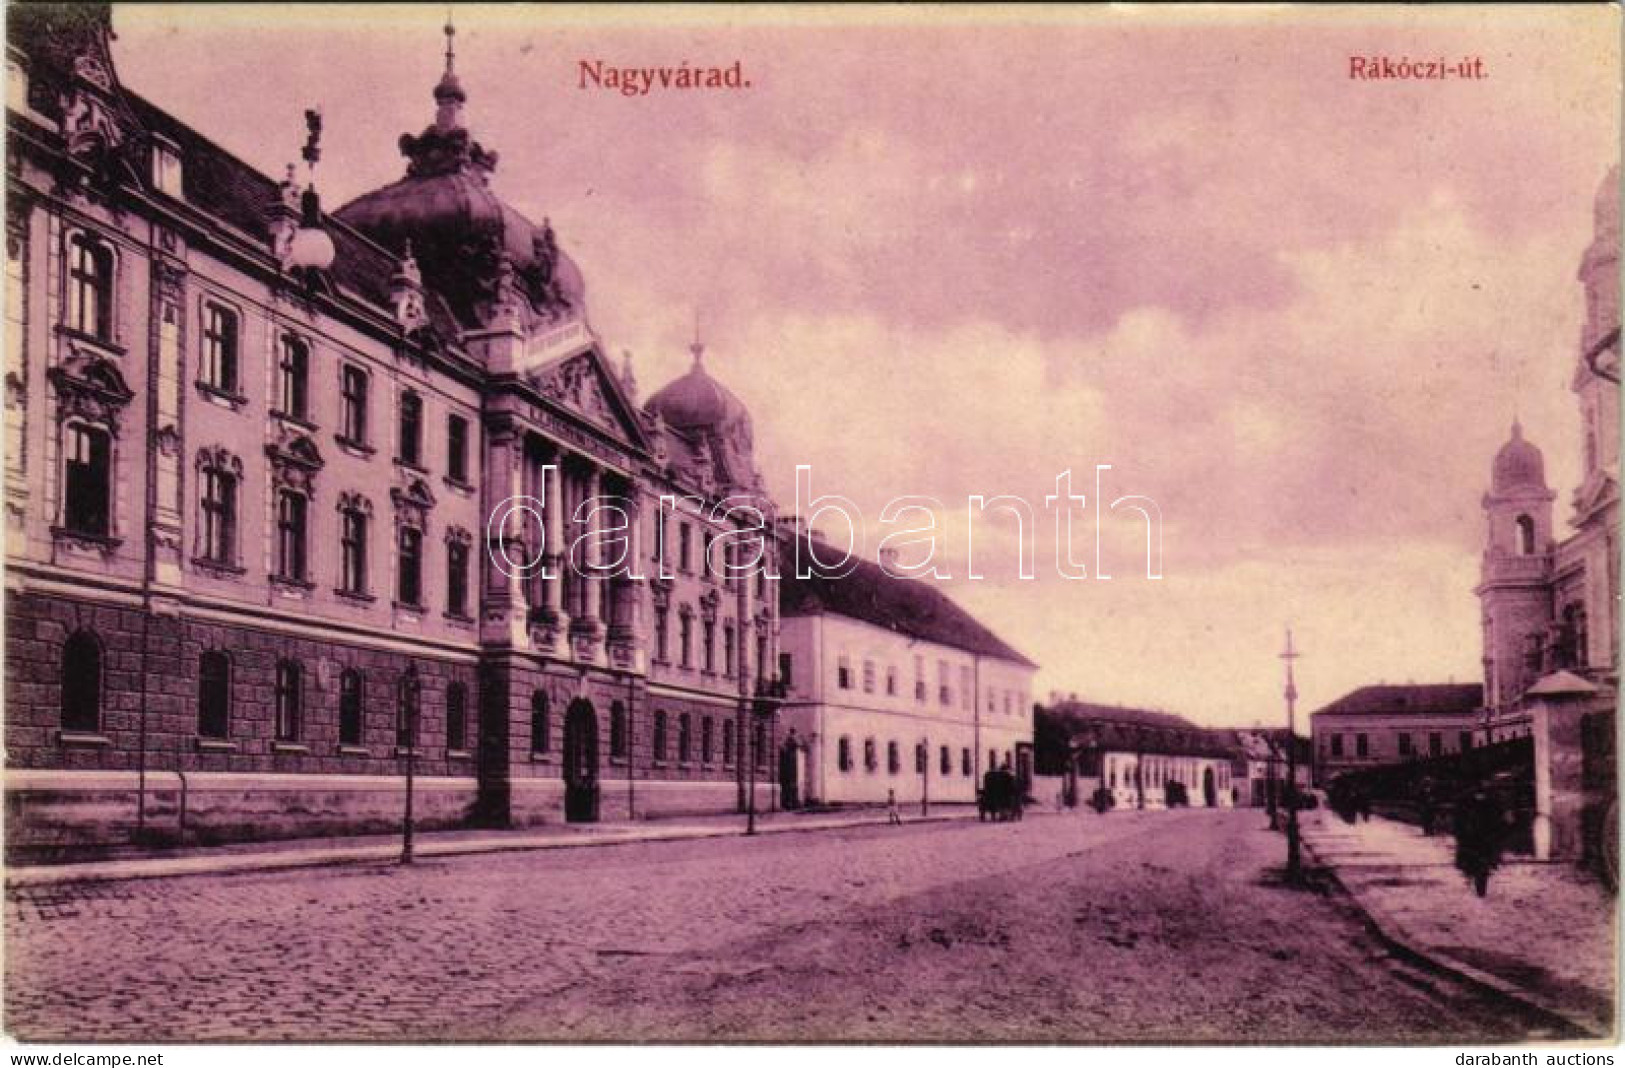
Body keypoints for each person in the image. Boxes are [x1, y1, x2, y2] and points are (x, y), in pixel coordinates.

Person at [1452, 787, 1507, 897]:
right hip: (1472, 835)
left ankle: (1480, 872)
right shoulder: (1466, 802)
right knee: (1470, 855)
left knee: (1486, 858)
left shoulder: (1491, 802)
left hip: (1484, 836)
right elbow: (1459, 819)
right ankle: (1469, 871)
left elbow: (1499, 820)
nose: (1480, 796)